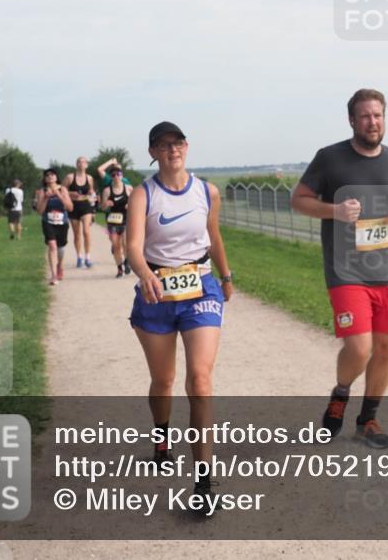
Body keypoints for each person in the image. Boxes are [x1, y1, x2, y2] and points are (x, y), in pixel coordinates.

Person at [291, 89, 388, 449]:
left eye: (377, 115)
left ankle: (368, 420)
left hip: (387, 270)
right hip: (346, 271)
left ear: (384, 118)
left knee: (387, 347)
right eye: (365, 116)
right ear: (351, 120)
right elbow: (298, 200)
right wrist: (334, 211)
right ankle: (341, 393)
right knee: (360, 348)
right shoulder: (330, 158)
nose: (372, 122)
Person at [126, 121, 234, 510]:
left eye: (179, 142)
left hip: (200, 287)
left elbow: (214, 235)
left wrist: (225, 275)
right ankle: (161, 436)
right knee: (163, 380)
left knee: (200, 380)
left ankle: (203, 480)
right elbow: (133, 246)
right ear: (153, 152)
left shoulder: (207, 191)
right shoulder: (144, 195)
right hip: (156, 292)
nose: (173, 149)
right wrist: (144, 274)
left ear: (187, 147)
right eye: (164, 144)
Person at [35, 168, 74, 285]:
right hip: (48, 222)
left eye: (52, 175)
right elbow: (40, 211)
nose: (50, 177)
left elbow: (70, 208)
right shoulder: (42, 191)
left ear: (56, 177)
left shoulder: (63, 190)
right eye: (47, 175)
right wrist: (46, 198)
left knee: (60, 249)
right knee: (52, 246)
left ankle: (59, 265)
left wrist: (59, 195)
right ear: (45, 179)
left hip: (62, 223)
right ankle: (53, 275)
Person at [101, 165, 133, 277]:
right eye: (113, 175)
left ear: (122, 175)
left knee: (125, 244)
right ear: (111, 177)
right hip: (112, 221)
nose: (116, 177)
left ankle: (127, 262)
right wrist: (106, 204)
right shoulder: (107, 190)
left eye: (118, 174)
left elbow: (135, 203)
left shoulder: (128, 188)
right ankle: (120, 268)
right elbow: (102, 207)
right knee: (115, 245)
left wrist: (130, 205)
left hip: (126, 220)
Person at [64, 157, 96, 268]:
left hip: (85, 205)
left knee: (86, 232)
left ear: (87, 165)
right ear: (76, 164)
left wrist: (93, 210)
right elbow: (61, 190)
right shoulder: (70, 177)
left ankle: (88, 257)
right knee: (77, 234)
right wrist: (71, 193)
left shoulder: (90, 178)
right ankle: (79, 257)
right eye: (79, 161)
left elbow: (92, 192)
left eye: (83, 162)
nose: (81, 163)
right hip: (73, 206)